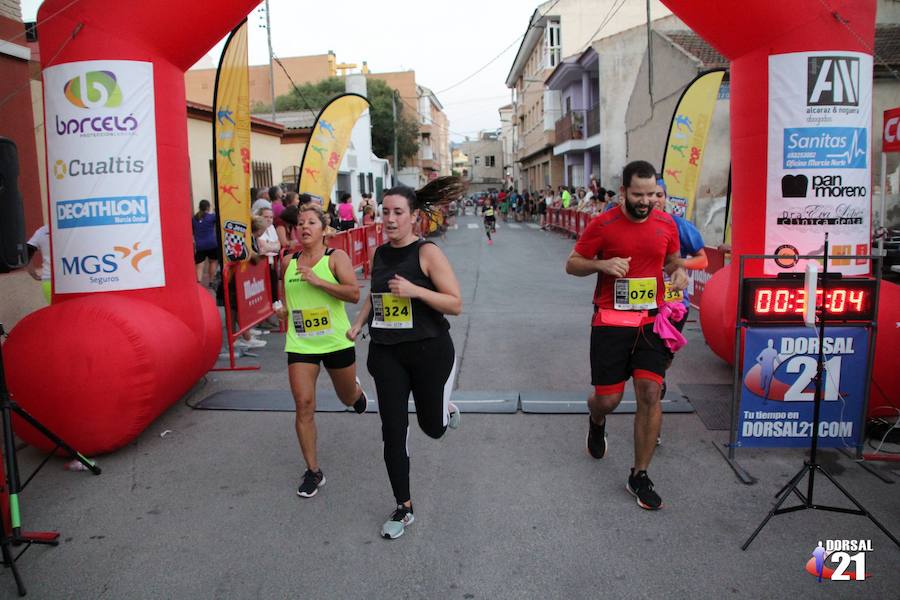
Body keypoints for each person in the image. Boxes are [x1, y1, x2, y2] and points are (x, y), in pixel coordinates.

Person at [564, 160, 688, 511]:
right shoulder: (603, 224)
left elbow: (673, 261)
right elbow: (572, 263)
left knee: (650, 392)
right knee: (609, 399)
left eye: (652, 194)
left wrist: (678, 274)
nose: (647, 201)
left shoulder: (666, 223)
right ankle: (597, 419)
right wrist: (601, 265)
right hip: (610, 323)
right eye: (639, 194)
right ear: (623, 192)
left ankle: (640, 474)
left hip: (650, 322)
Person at [347, 176, 465, 540]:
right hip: (387, 353)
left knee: (432, 429)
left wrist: (415, 290)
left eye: (398, 212)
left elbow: (455, 303)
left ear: (414, 217)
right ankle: (404, 506)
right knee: (392, 432)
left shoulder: (427, 253)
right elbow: (375, 293)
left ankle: (445, 411)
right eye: (385, 212)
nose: (390, 219)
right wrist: (359, 323)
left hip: (429, 351)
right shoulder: (380, 253)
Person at [275, 203, 369, 498]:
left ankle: (356, 393)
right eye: (300, 223)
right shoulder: (288, 263)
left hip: (335, 341)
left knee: (346, 397)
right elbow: (287, 303)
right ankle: (314, 471)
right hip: (301, 343)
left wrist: (318, 281)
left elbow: (354, 294)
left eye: (311, 222)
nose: (304, 227)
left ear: (323, 229)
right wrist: (282, 312)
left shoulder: (334, 258)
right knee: (303, 404)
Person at [192, 199, 219, 285]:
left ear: (199, 207)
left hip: (200, 245)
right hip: (212, 244)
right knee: (213, 262)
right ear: (208, 207)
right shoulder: (211, 217)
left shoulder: (194, 218)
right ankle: (211, 281)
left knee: (199, 265)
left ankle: (198, 282)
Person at [25, 224, 51, 303]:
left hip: (49, 280)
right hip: (73, 280)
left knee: (57, 313)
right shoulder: (74, 229)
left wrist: (32, 273)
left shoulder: (42, 231)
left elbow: (26, 252)